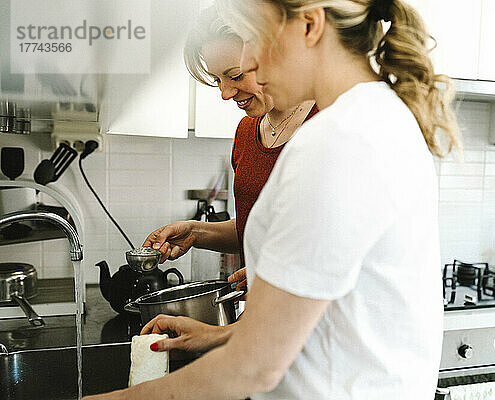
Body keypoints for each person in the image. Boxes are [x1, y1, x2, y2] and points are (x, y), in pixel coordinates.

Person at [83, 0, 460, 399]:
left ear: (309, 26)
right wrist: (223, 335)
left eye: (252, 37)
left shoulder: (339, 140)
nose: (248, 61)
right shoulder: (372, 118)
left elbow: (253, 367)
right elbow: (328, 314)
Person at [143, 6, 317, 293]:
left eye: (235, 76)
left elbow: (353, 243)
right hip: (261, 314)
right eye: (217, 80)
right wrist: (195, 232)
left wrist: (281, 271)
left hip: (320, 323)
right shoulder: (246, 132)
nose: (225, 93)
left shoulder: (330, 123)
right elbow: (255, 229)